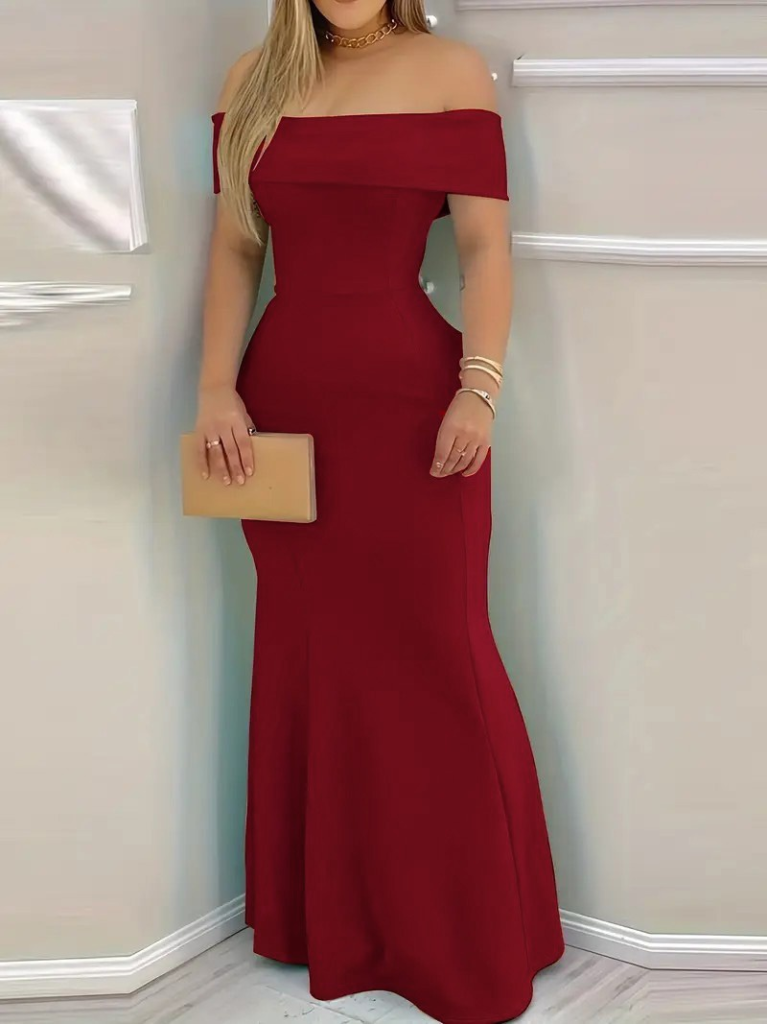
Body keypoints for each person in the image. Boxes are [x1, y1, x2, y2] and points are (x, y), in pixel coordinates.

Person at [195, 1, 565, 1020]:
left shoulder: (449, 69)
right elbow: (235, 250)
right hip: (280, 401)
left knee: (438, 651)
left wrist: (479, 388)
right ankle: (328, 924)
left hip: (409, 401)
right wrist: (214, 387)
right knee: (311, 652)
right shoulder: (249, 79)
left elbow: (484, 247)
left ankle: (469, 937)